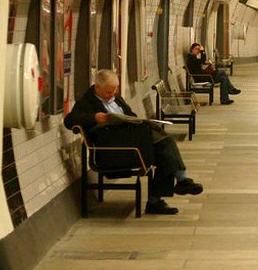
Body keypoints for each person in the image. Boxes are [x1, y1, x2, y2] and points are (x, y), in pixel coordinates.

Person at [64, 69, 203, 215]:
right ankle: (170, 189)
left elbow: (131, 115)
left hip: (131, 141)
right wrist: (94, 117)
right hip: (113, 148)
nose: (112, 94)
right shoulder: (86, 102)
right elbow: (70, 120)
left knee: (164, 150)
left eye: (114, 90)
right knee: (164, 148)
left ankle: (171, 189)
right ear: (97, 87)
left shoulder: (116, 98)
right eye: (108, 92)